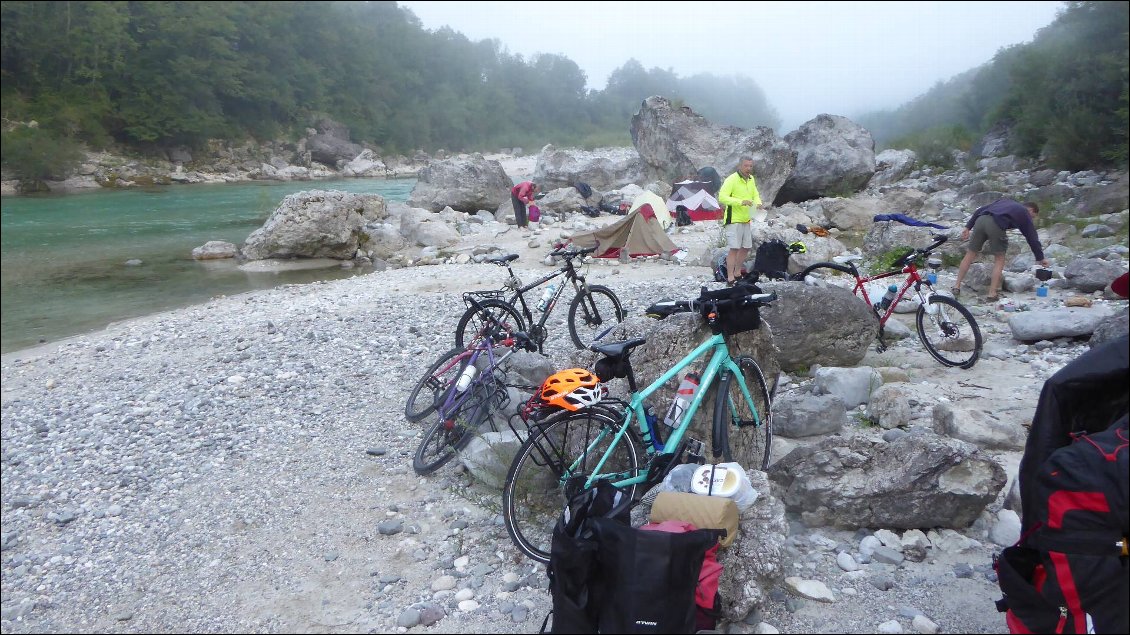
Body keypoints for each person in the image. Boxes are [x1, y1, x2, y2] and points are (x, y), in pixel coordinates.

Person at [952, 198, 1048, 301]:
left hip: (981, 219)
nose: (1031, 219)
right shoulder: (1024, 213)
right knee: (999, 259)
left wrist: (968, 227)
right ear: (1031, 210)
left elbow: (980, 210)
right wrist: (1041, 257)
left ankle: (956, 286)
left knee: (970, 254)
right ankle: (992, 293)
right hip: (996, 224)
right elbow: (1032, 237)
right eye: (1032, 217)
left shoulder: (1005, 202)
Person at [716, 156, 765, 285]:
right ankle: (730, 276)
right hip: (733, 219)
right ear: (740, 166)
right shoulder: (732, 179)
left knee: (746, 246)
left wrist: (758, 203)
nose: (748, 168)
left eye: (750, 166)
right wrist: (740, 202)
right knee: (734, 248)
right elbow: (722, 197)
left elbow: (755, 194)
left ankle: (738, 272)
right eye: (746, 166)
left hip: (746, 218)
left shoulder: (751, 179)